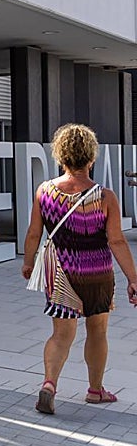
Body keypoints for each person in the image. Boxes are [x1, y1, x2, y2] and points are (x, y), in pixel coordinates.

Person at [21, 123, 137, 415]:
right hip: (97, 271)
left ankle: (49, 384)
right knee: (97, 331)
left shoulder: (44, 191)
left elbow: (34, 233)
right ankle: (96, 390)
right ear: (91, 158)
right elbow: (117, 240)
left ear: (60, 157)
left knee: (61, 334)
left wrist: (28, 261)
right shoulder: (105, 196)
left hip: (60, 273)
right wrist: (133, 279)